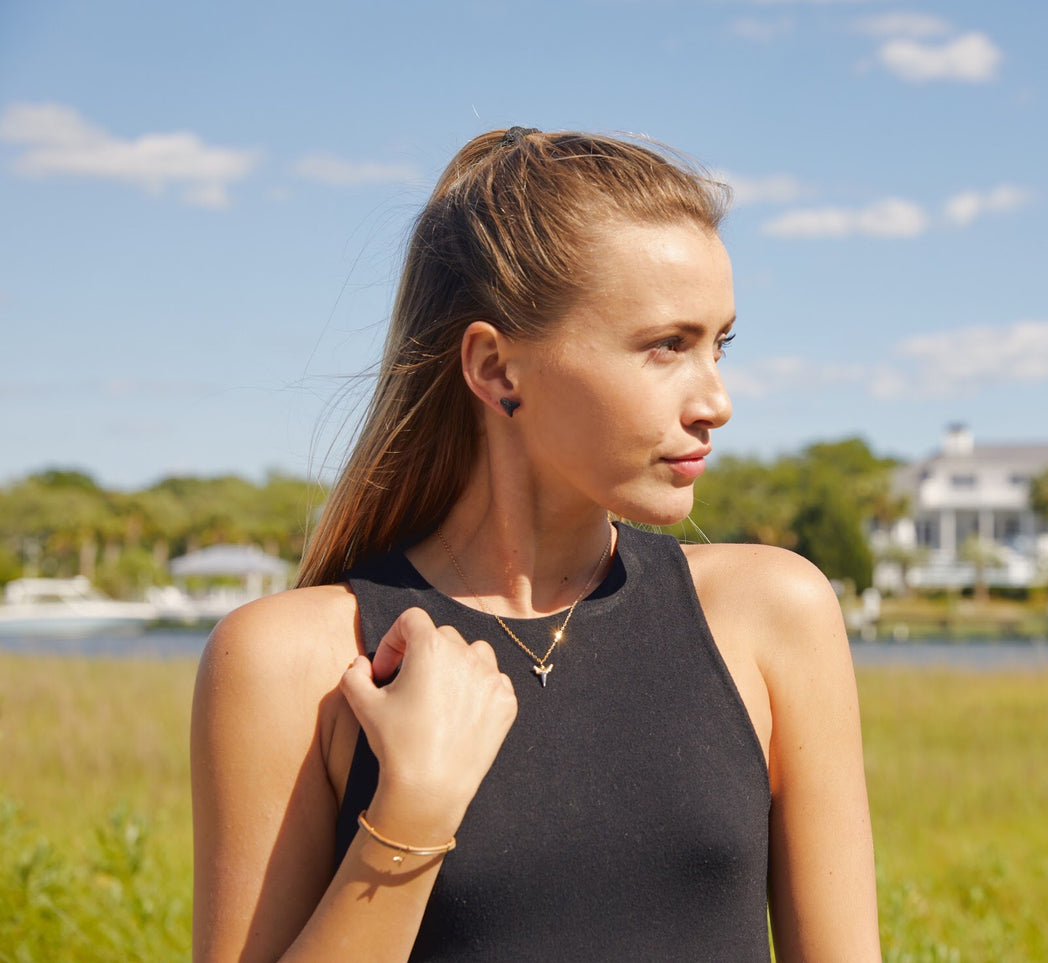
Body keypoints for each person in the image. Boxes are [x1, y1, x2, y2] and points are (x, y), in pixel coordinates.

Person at [190, 126, 880, 961]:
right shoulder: (292, 662)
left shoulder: (772, 614)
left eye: (718, 343)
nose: (716, 401)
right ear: (495, 369)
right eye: (666, 346)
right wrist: (411, 812)